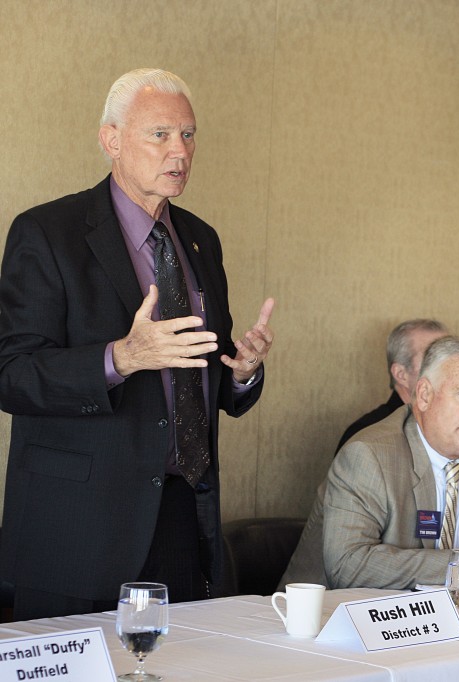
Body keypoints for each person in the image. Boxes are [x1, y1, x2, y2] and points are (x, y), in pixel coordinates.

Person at [0, 69, 275, 620]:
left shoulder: (201, 238)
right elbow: (12, 374)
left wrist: (241, 372)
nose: (179, 151)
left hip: (181, 512)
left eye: (189, 135)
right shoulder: (47, 233)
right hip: (77, 529)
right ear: (112, 140)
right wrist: (120, 358)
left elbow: (199, 382)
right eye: (160, 135)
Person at [281, 336, 459, 589]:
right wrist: (458, 564)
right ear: (424, 395)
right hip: (332, 622)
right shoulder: (369, 456)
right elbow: (348, 566)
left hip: (452, 617)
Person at [335, 318, 448, 453]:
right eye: (433, 358)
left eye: (449, 357)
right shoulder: (366, 436)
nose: (448, 367)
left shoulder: (458, 426)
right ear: (401, 374)